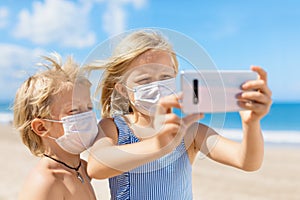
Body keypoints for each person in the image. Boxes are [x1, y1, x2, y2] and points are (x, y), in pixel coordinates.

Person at [87, 30, 272, 199]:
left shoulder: (189, 131)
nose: (158, 86)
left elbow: (247, 161)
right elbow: (97, 167)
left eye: (166, 77)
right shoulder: (114, 127)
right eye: (144, 80)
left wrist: (251, 124)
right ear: (122, 89)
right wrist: (158, 145)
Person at [13, 53, 98, 200]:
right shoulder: (45, 182)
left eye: (89, 108)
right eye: (74, 111)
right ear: (41, 127)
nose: (87, 117)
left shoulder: (82, 168)